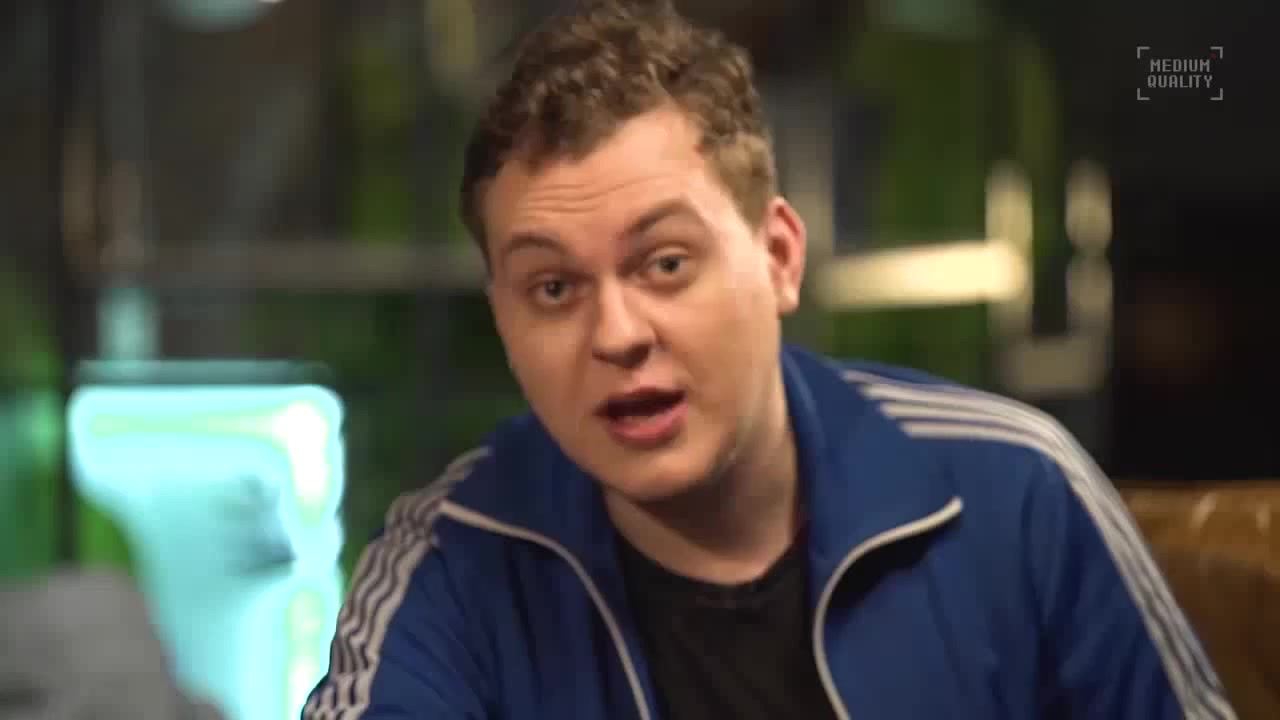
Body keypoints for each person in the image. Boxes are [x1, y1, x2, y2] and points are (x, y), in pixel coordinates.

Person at [303, 1, 1235, 718]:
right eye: (552, 288)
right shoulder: (450, 562)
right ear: (502, 320)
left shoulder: (1017, 494)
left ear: (779, 257)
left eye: (666, 264)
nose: (617, 333)